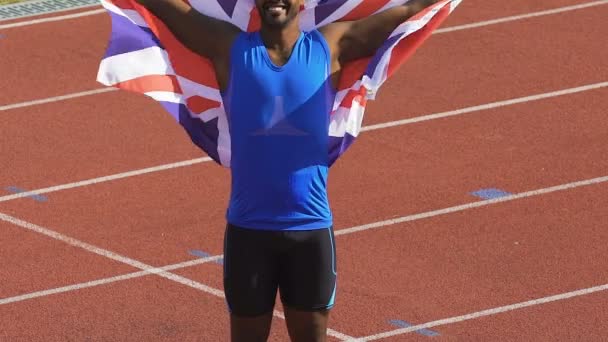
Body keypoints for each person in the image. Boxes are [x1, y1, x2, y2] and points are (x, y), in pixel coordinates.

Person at [130, 0, 442, 341]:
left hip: (310, 232)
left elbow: (402, 12)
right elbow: (174, 11)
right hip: (249, 233)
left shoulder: (331, 46)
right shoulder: (228, 47)